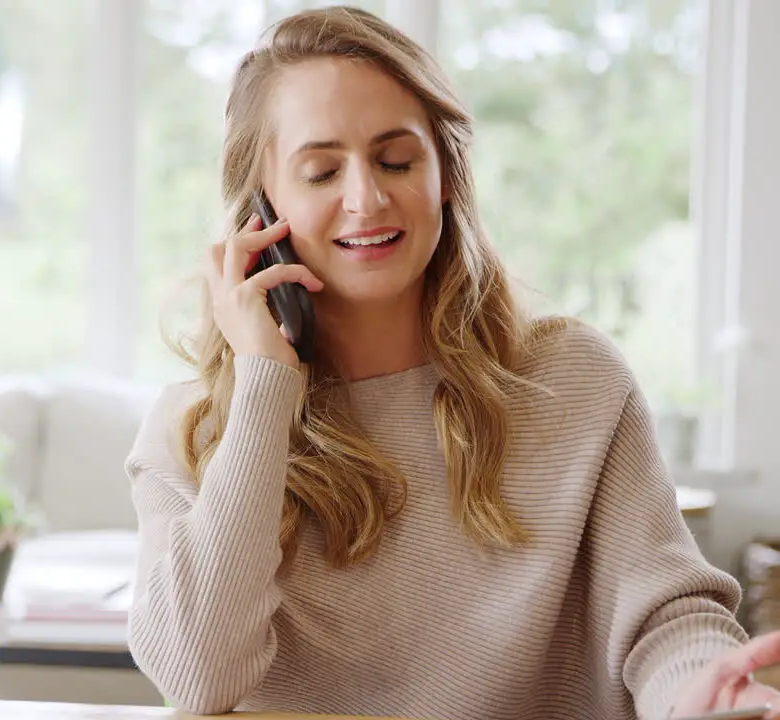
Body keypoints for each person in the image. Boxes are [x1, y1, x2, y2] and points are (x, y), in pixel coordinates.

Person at [124, 6, 780, 720]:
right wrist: (264, 387)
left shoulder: (574, 379)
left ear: (444, 174)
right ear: (261, 207)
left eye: (395, 160)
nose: (365, 198)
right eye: (320, 171)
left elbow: (665, 614)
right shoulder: (195, 431)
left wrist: (703, 696)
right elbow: (196, 677)